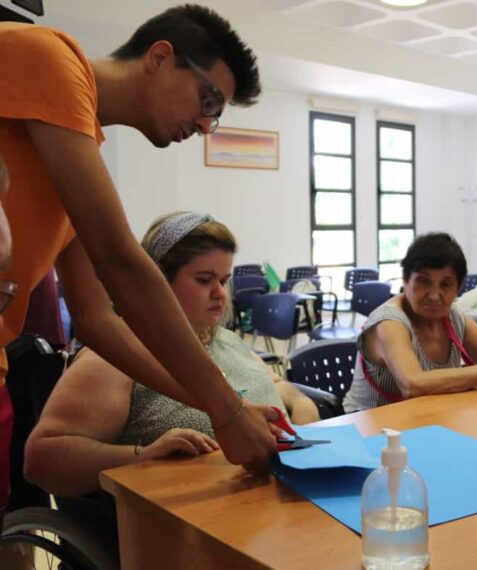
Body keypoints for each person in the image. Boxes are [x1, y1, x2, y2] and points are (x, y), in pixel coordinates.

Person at [0, 4, 277, 505]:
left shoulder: (73, 156)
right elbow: (119, 258)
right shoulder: (48, 56)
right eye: (208, 99)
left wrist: (226, 407)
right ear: (160, 57)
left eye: (215, 115)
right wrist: (228, 411)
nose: (204, 122)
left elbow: (97, 319)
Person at [24, 212, 319, 499]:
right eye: (204, 280)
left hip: (265, 503)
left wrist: (302, 406)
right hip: (182, 522)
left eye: (224, 280)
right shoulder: (119, 355)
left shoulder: (226, 341)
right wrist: (141, 456)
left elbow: (279, 388)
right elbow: (42, 459)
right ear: (157, 283)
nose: (220, 294)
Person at [342, 233, 477, 412]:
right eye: (423, 282)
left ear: (458, 288)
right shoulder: (390, 321)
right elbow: (413, 384)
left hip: (424, 421)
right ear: (405, 281)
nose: (434, 295)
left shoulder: (452, 316)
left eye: (446, 284)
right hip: (370, 432)